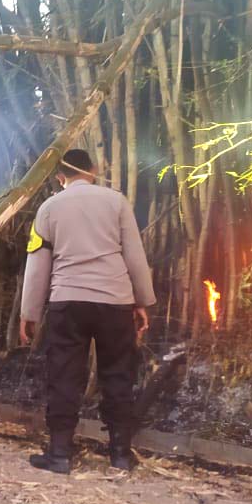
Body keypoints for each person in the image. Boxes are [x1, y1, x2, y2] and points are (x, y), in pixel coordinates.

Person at [19, 149, 155, 473]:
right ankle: (120, 454)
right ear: (92, 170)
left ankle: (60, 453)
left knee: (64, 375)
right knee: (118, 374)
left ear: (60, 177)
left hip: (69, 302)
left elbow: (38, 265)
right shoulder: (116, 202)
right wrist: (142, 301)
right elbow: (134, 255)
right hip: (115, 300)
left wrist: (30, 314)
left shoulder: (49, 208)